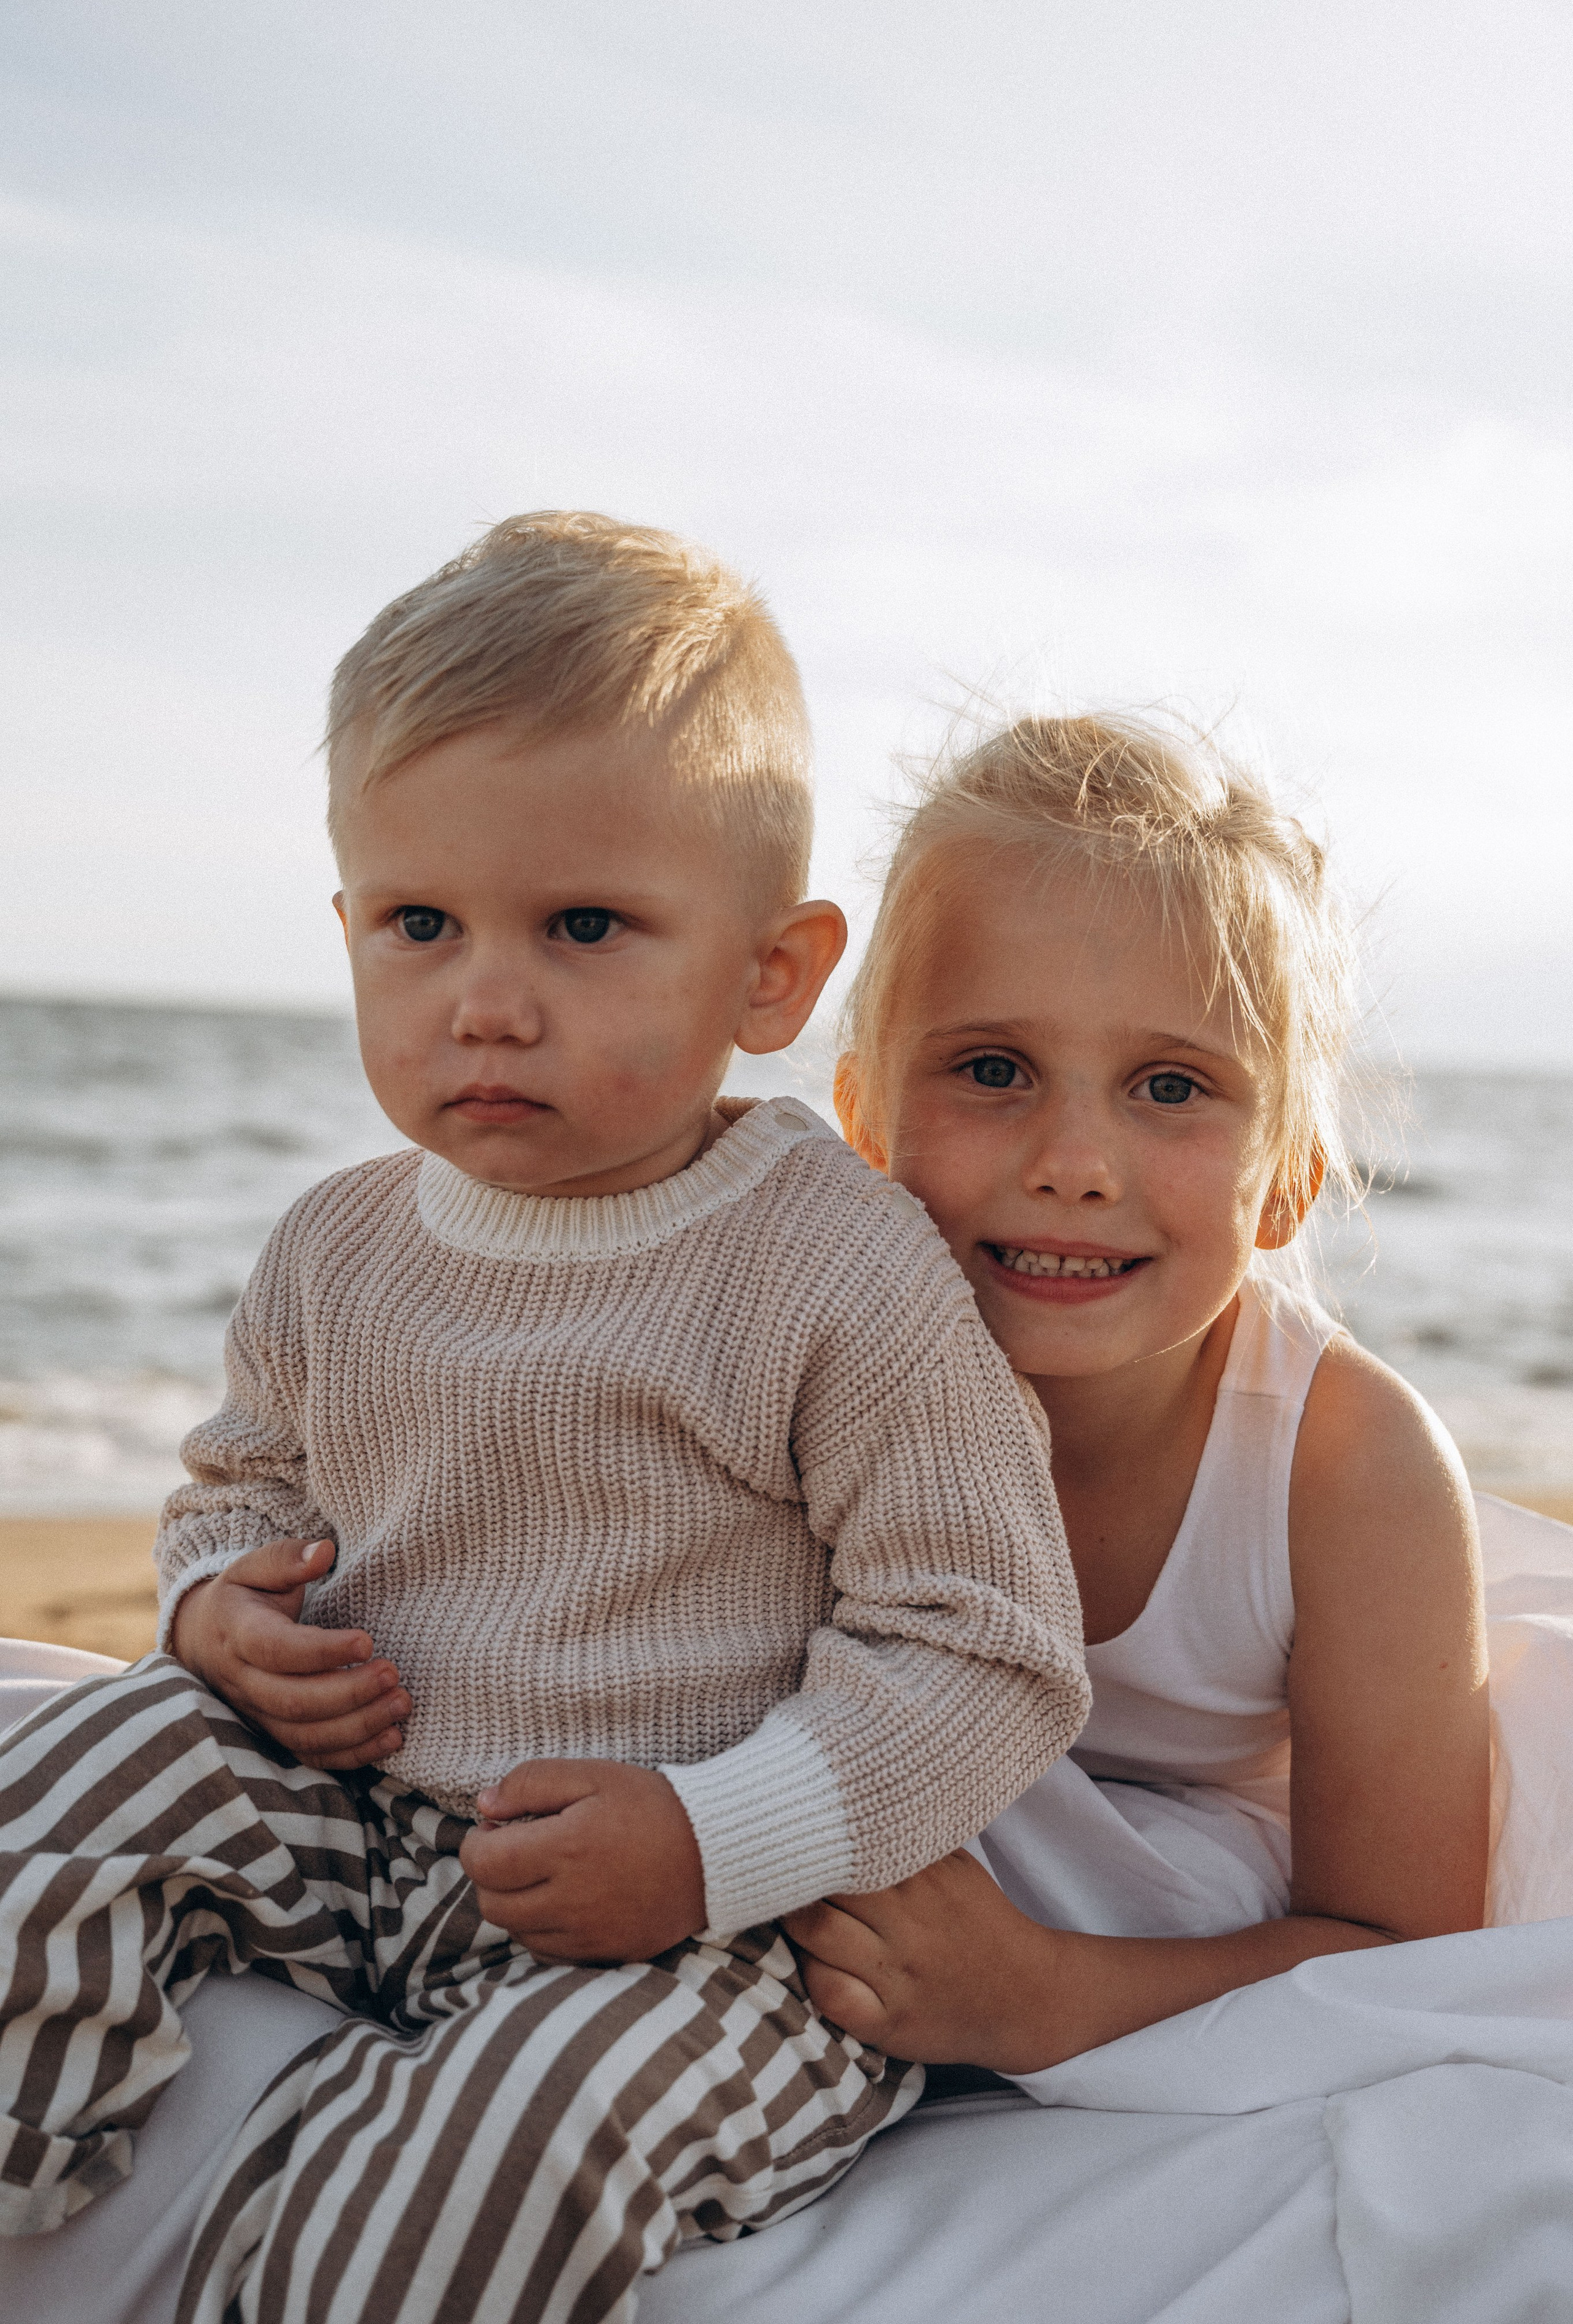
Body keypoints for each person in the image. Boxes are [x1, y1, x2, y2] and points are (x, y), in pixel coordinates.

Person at [0, 517, 1090, 2321]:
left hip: (716, 1919)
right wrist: (215, 1614)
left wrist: (713, 1837)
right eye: (419, 926)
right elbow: (239, 1486)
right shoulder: (339, 1241)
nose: (485, 1000)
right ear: (348, 927)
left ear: (770, 974)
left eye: (585, 927)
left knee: (514, 2140)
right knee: (57, 1786)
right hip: (354, 1818)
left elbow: (988, 1650)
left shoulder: (833, 1264)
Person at [788, 711, 1490, 2086]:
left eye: (1170, 1087)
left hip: (1167, 1902)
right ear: (863, 1115)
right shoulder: (797, 1352)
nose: (1071, 1161)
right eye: (992, 1070)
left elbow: (1406, 1940)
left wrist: (1046, 1994)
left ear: (1286, 1174)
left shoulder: (1347, 1465)